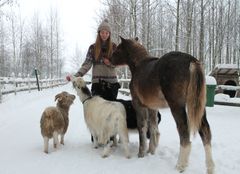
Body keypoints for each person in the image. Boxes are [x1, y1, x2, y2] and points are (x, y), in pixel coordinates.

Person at [67, 19, 120, 101]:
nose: (104, 35)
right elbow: (86, 65)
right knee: (97, 112)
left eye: (107, 33)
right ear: (99, 33)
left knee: (110, 112)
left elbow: (118, 63)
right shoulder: (93, 48)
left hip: (112, 85)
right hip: (97, 84)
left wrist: (110, 63)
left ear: (109, 34)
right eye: (102, 32)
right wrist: (76, 76)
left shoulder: (114, 47)